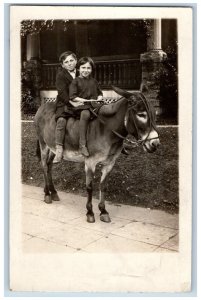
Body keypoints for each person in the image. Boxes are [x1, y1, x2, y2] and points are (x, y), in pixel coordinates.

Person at [69, 56, 103, 157]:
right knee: (85, 114)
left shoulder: (94, 81)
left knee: (106, 112)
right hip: (81, 106)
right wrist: (87, 100)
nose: (86, 70)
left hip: (94, 104)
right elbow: (73, 97)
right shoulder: (75, 81)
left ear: (92, 69)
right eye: (83, 68)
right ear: (79, 68)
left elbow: (100, 93)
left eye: (88, 68)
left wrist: (99, 98)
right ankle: (82, 145)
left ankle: (110, 139)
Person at [53, 51, 78, 163]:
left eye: (71, 60)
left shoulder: (82, 71)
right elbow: (62, 92)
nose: (69, 63)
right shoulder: (61, 75)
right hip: (65, 102)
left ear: (76, 61)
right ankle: (59, 148)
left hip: (80, 100)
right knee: (62, 120)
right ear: (63, 65)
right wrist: (71, 102)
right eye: (66, 62)